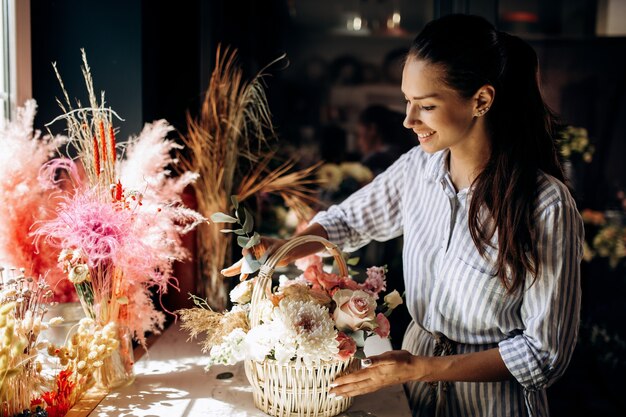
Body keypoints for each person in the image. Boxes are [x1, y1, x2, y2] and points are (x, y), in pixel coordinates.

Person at [224, 14, 583, 417]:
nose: (408, 120)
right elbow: (347, 222)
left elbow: (544, 355)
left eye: (426, 106)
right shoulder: (419, 169)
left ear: (481, 100)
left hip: (491, 404)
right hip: (411, 393)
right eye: (407, 101)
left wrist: (424, 367)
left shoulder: (545, 206)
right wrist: (283, 249)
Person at [356, 104, 414, 176]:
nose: (359, 143)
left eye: (359, 135)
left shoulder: (372, 163)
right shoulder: (406, 155)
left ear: (372, 129)